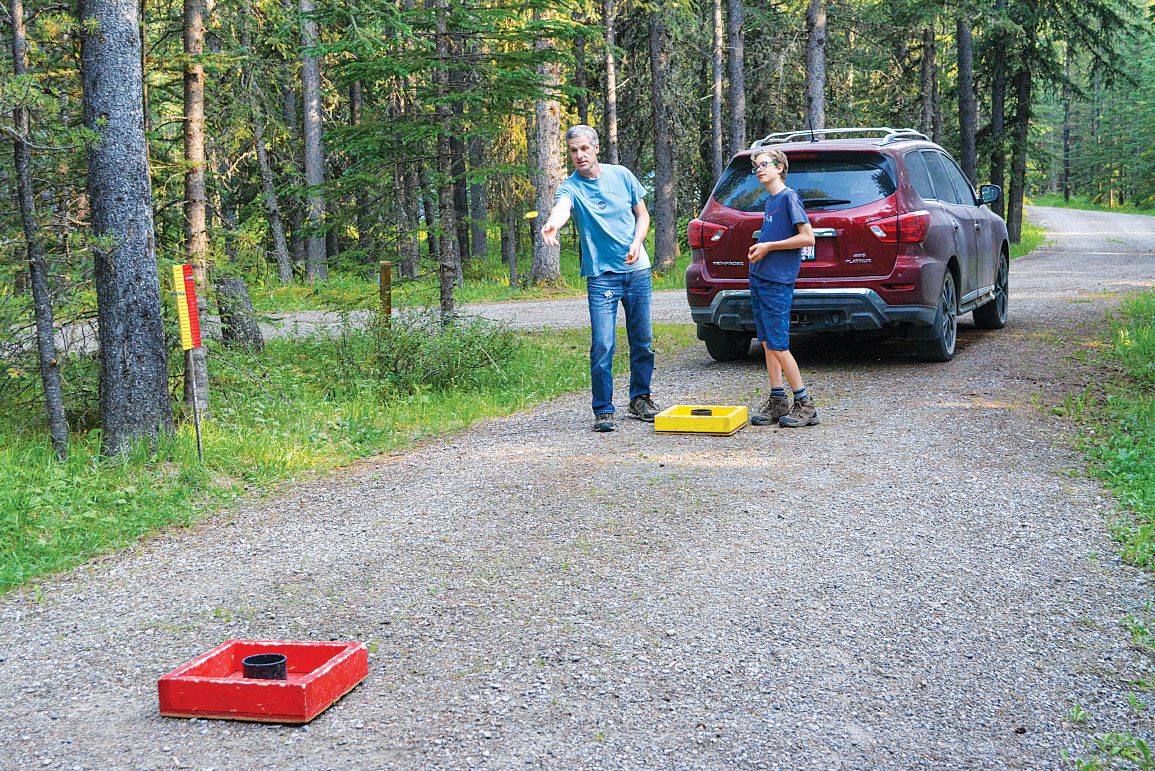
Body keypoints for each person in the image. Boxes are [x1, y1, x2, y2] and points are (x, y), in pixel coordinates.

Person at [541, 125, 661, 433]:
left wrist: (637, 243)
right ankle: (603, 409)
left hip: (637, 272)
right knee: (603, 345)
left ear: (596, 148)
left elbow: (643, 215)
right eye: (573, 151)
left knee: (642, 341)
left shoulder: (621, 175)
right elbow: (562, 209)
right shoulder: (570, 187)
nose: (579, 155)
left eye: (583, 148)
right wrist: (552, 226)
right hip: (601, 277)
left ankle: (640, 399)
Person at [745, 147, 820, 428]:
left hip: (778, 281)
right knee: (766, 341)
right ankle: (778, 400)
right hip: (760, 277)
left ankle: (805, 404)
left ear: (780, 167)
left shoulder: (789, 197)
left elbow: (807, 237)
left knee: (778, 343)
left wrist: (769, 246)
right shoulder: (771, 202)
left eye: (764, 164)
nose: (759, 170)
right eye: (756, 167)